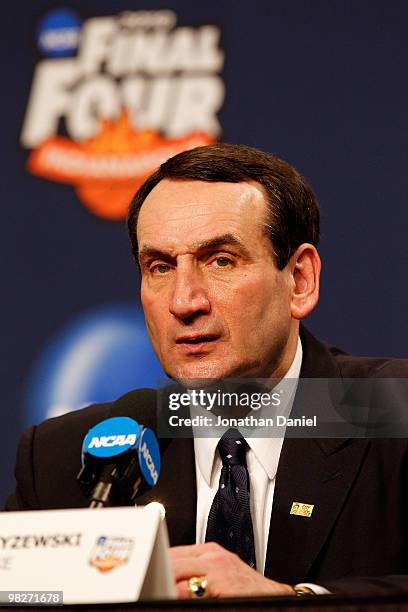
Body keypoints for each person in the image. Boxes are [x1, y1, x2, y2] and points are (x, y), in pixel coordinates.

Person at [6, 144, 408, 599]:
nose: (184, 302)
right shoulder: (65, 460)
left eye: (221, 261)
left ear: (300, 280)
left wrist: (289, 600)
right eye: (159, 267)